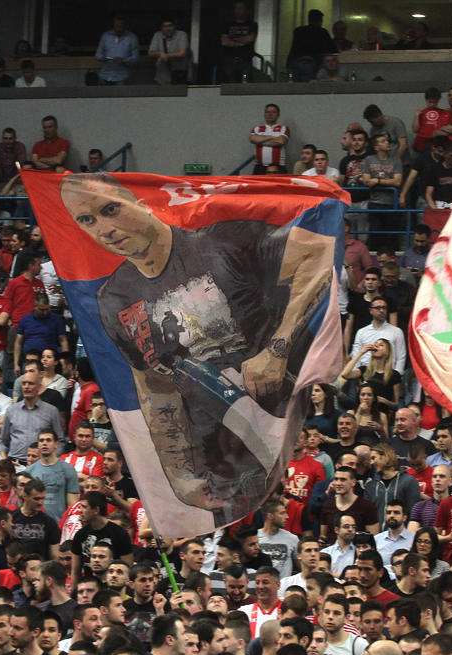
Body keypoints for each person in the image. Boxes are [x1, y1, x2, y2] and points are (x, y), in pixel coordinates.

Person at [60, 171, 334, 516]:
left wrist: (277, 348)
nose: (104, 228)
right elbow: (154, 387)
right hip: (220, 469)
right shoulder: (113, 299)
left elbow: (319, 254)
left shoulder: (221, 242)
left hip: (280, 433)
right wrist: (179, 474)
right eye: (87, 220)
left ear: (143, 206)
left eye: (111, 210)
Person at [286, 10, 334, 83]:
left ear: (309, 19)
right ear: (320, 21)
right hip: (309, 63)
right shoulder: (322, 32)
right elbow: (331, 49)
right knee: (307, 88)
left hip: (293, 61)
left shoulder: (298, 31)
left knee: (292, 87)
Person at [220, 1, 258, 83]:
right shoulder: (228, 24)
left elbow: (250, 38)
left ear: (246, 11)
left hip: (245, 59)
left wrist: (232, 39)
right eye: (236, 8)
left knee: (245, 86)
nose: (237, 11)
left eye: (240, 8)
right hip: (229, 59)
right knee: (230, 85)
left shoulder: (252, 24)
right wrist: (241, 42)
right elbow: (224, 42)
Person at [96, 13, 139, 85]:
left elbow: (136, 57)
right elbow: (97, 55)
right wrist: (102, 57)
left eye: (120, 26)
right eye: (116, 26)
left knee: (120, 95)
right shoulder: (106, 36)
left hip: (122, 77)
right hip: (104, 75)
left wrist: (124, 60)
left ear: (125, 26)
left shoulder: (132, 37)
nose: (118, 28)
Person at [251, 104, 290, 175]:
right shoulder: (257, 129)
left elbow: (281, 141)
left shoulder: (283, 128)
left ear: (278, 115)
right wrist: (272, 137)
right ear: (264, 114)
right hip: (260, 167)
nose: (270, 114)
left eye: (273, 112)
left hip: (278, 167)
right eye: (267, 112)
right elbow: (253, 139)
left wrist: (260, 141)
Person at [149, 18, 189, 84]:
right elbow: (150, 52)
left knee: (179, 92)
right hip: (163, 74)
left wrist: (164, 56)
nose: (168, 29)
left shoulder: (182, 34)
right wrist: (160, 53)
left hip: (179, 72)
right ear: (161, 28)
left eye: (170, 26)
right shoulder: (157, 35)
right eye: (164, 26)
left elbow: (182, 53)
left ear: (175, 26)